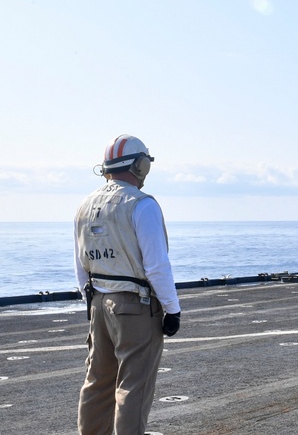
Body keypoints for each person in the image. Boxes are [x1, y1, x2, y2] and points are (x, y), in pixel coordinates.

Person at [74, 134, 181, 435]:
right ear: (140, 166)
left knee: (97, 381)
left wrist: (89, 301)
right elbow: (157, 266)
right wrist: (172, 310)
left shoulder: (85, 205)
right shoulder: (142, 205)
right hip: (135, 306)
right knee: (133, 386)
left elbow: (80, 263)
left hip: (98, 302)